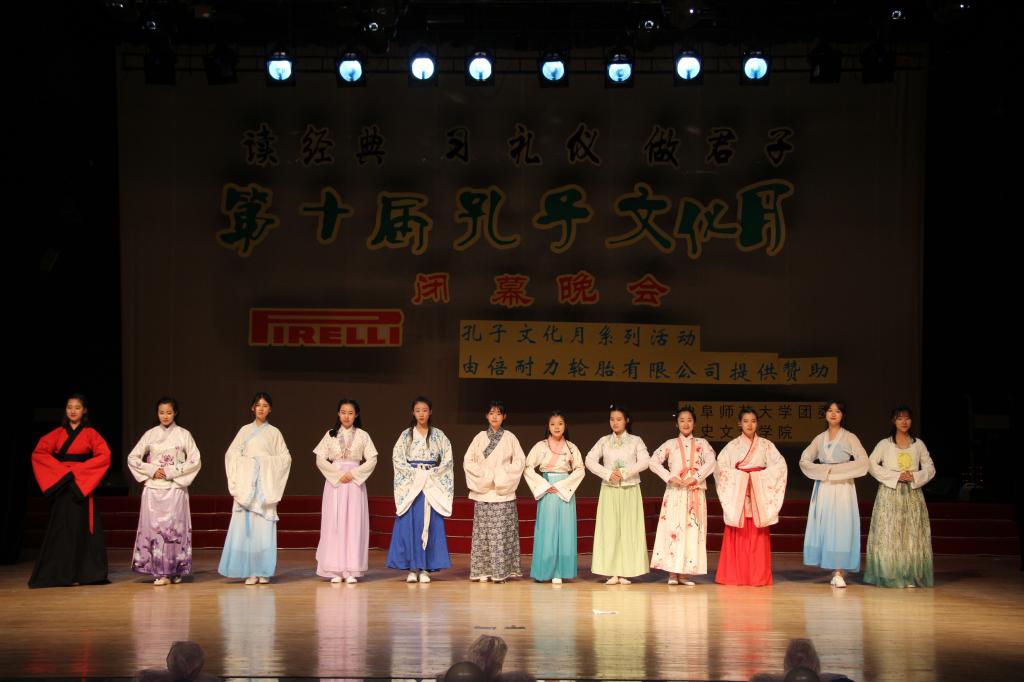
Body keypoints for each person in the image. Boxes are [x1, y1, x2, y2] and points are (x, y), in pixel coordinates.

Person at [29, 393, 111, 588]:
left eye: (77, 407)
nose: (73, 411)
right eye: (69, 407)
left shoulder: (91, 434)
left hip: (81, 485)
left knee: (82, 530)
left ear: (84, 411)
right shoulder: (57, 433)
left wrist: (78, 473)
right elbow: (39, 453)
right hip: (63, 485)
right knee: (62, 530)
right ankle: (60, 574)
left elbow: (104, 456)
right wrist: (61, 473)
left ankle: (84, 574)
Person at [218, 391, 292, 585]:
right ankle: (250, 571)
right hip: (247, 487)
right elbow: (231, 455)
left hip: (264, 487)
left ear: (270, 409)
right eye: (258, 405)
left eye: (265, 405)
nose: (261, 409)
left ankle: (264, 570)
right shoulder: (244, 431)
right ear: (252, 408)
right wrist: (249, 464)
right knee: (247, 531)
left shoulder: (274, 433)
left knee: (263, 531)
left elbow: (285, 458)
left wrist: (264, 462)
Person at [127, 397, 202, 585]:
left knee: (174, 530)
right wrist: (152, 470)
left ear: (175, 413)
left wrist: (171, 472)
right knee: (155, 531)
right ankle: (161, 572)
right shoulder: (150, 434)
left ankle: (175, 569)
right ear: (157, 414)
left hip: (174, 488)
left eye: (169, 412)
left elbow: (195, 460)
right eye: (161, 412)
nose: (165, 416)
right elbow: (132, 458)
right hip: (154, 488)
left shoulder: (184, 434)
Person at [714, 408, 788, 586]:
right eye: (745, 421)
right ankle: (734, 576)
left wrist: (756, 478)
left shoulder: (766, 445)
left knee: (757, 535)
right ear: (739, 423)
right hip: (738, 494)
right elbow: (720, 468)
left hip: (758, 494)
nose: (749, 424)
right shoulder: (732, 446)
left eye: (753, 421)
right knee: (737, 534)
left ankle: (757, 576)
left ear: (757, 423)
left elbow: (780, 466)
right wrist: (741, 479)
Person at [863, 405, 935, 588]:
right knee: (889, 533)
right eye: (899, 418)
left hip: (912, 494)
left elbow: (930, 468)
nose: (904, 422)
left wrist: (915, 476)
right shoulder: (885, 444)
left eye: (907, 418)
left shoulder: (918, 444)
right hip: (890, 493)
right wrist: (894, 476)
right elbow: (871, 464)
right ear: (893, 421)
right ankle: (889, 574)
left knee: (911, 534)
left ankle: (909, 575)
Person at [799, 401, 869, 588]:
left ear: (843, 415)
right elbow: (804, 460)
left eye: (837, 411)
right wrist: (823, 470)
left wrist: (839, 470)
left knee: (841, 525)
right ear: (825, 414)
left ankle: (839, 571)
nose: (833, 414)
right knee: (825, 525)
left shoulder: (850, 437)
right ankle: (832, 567)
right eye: (830, 410)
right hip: (825, 486)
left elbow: (864, 461)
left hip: (843, 486)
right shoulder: (819, 438)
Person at [386, 396, 454, 582]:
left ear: (430, 412)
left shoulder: (438, 435)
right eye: (418, 411)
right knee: (410, 524)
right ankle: (412, 568)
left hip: (431, 483)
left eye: (424, 410)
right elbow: (397, 459)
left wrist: (432, 473)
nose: (421, 414)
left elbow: (447, 459)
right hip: (412, 484)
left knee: (430, 524)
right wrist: (415, 474)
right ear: (413, 413)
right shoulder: (406, 435)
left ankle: (425, 568)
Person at [649, 406, 716, 585]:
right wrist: (670, 477)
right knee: (674, 530)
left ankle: (685, 573)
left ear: (694, 423)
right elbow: (653, 461)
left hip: (695, 492)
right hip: (676, 492)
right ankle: (672, 572)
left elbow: (711, 461)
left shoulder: (702, 443)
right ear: (676, 424)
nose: (686, 424)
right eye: (682, 420)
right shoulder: (670, 444)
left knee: (692, 531)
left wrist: (696, 477)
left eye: (689, 420)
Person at [314, 398, 378, 583]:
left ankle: (351, 569)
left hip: (354, 483)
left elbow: (372, 459)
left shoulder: (363, 435)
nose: (346, 416)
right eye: (343, 412)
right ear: (338, 414)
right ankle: (335, 569)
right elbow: (320, 459)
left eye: (350, 413)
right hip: (335, 484)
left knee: (353, 523)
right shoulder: (330, 434)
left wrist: (354, 473)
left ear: (356, 415)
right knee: (334, 523)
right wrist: (336, 474)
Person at [585, 404, 650, 584]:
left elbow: (645, 461)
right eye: (612, 419)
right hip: (609, 489)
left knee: (630, 529)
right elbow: (589, 459)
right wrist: (607, 473)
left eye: (619, 419)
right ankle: (611, 571)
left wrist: (625, 472)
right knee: (610, 530)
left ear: (626, 420)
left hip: (630, 488)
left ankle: (626, 571)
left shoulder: (636, 440)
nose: (615, 422)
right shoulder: (604, 441)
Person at [464, 400, 526, 583]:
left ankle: (501, 572)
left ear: (504, 416)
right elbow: (468, 461)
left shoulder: (510, 438)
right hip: (484, 492)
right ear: (486, 416)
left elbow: (519, 462)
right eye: (491, 413)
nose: (495, 417)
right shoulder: (479, 438)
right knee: (482, 534)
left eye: (498, 413)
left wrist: (500, 476)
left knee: (502, 534)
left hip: (502, 493)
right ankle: (483, 570)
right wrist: (486, 475)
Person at [523, 411, 584, 584]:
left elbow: (580, 469)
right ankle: (544, 571)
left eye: (560, 423)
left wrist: (562, 486)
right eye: (553, 424)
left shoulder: (571, 447)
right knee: (547, 529)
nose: (557, 427)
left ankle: (560, 571)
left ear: (565, 426)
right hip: (548, 488)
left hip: (564, 489)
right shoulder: (540, 446)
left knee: (565, 529)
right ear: (548, 427)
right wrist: (544, 485)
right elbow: (528, 467)